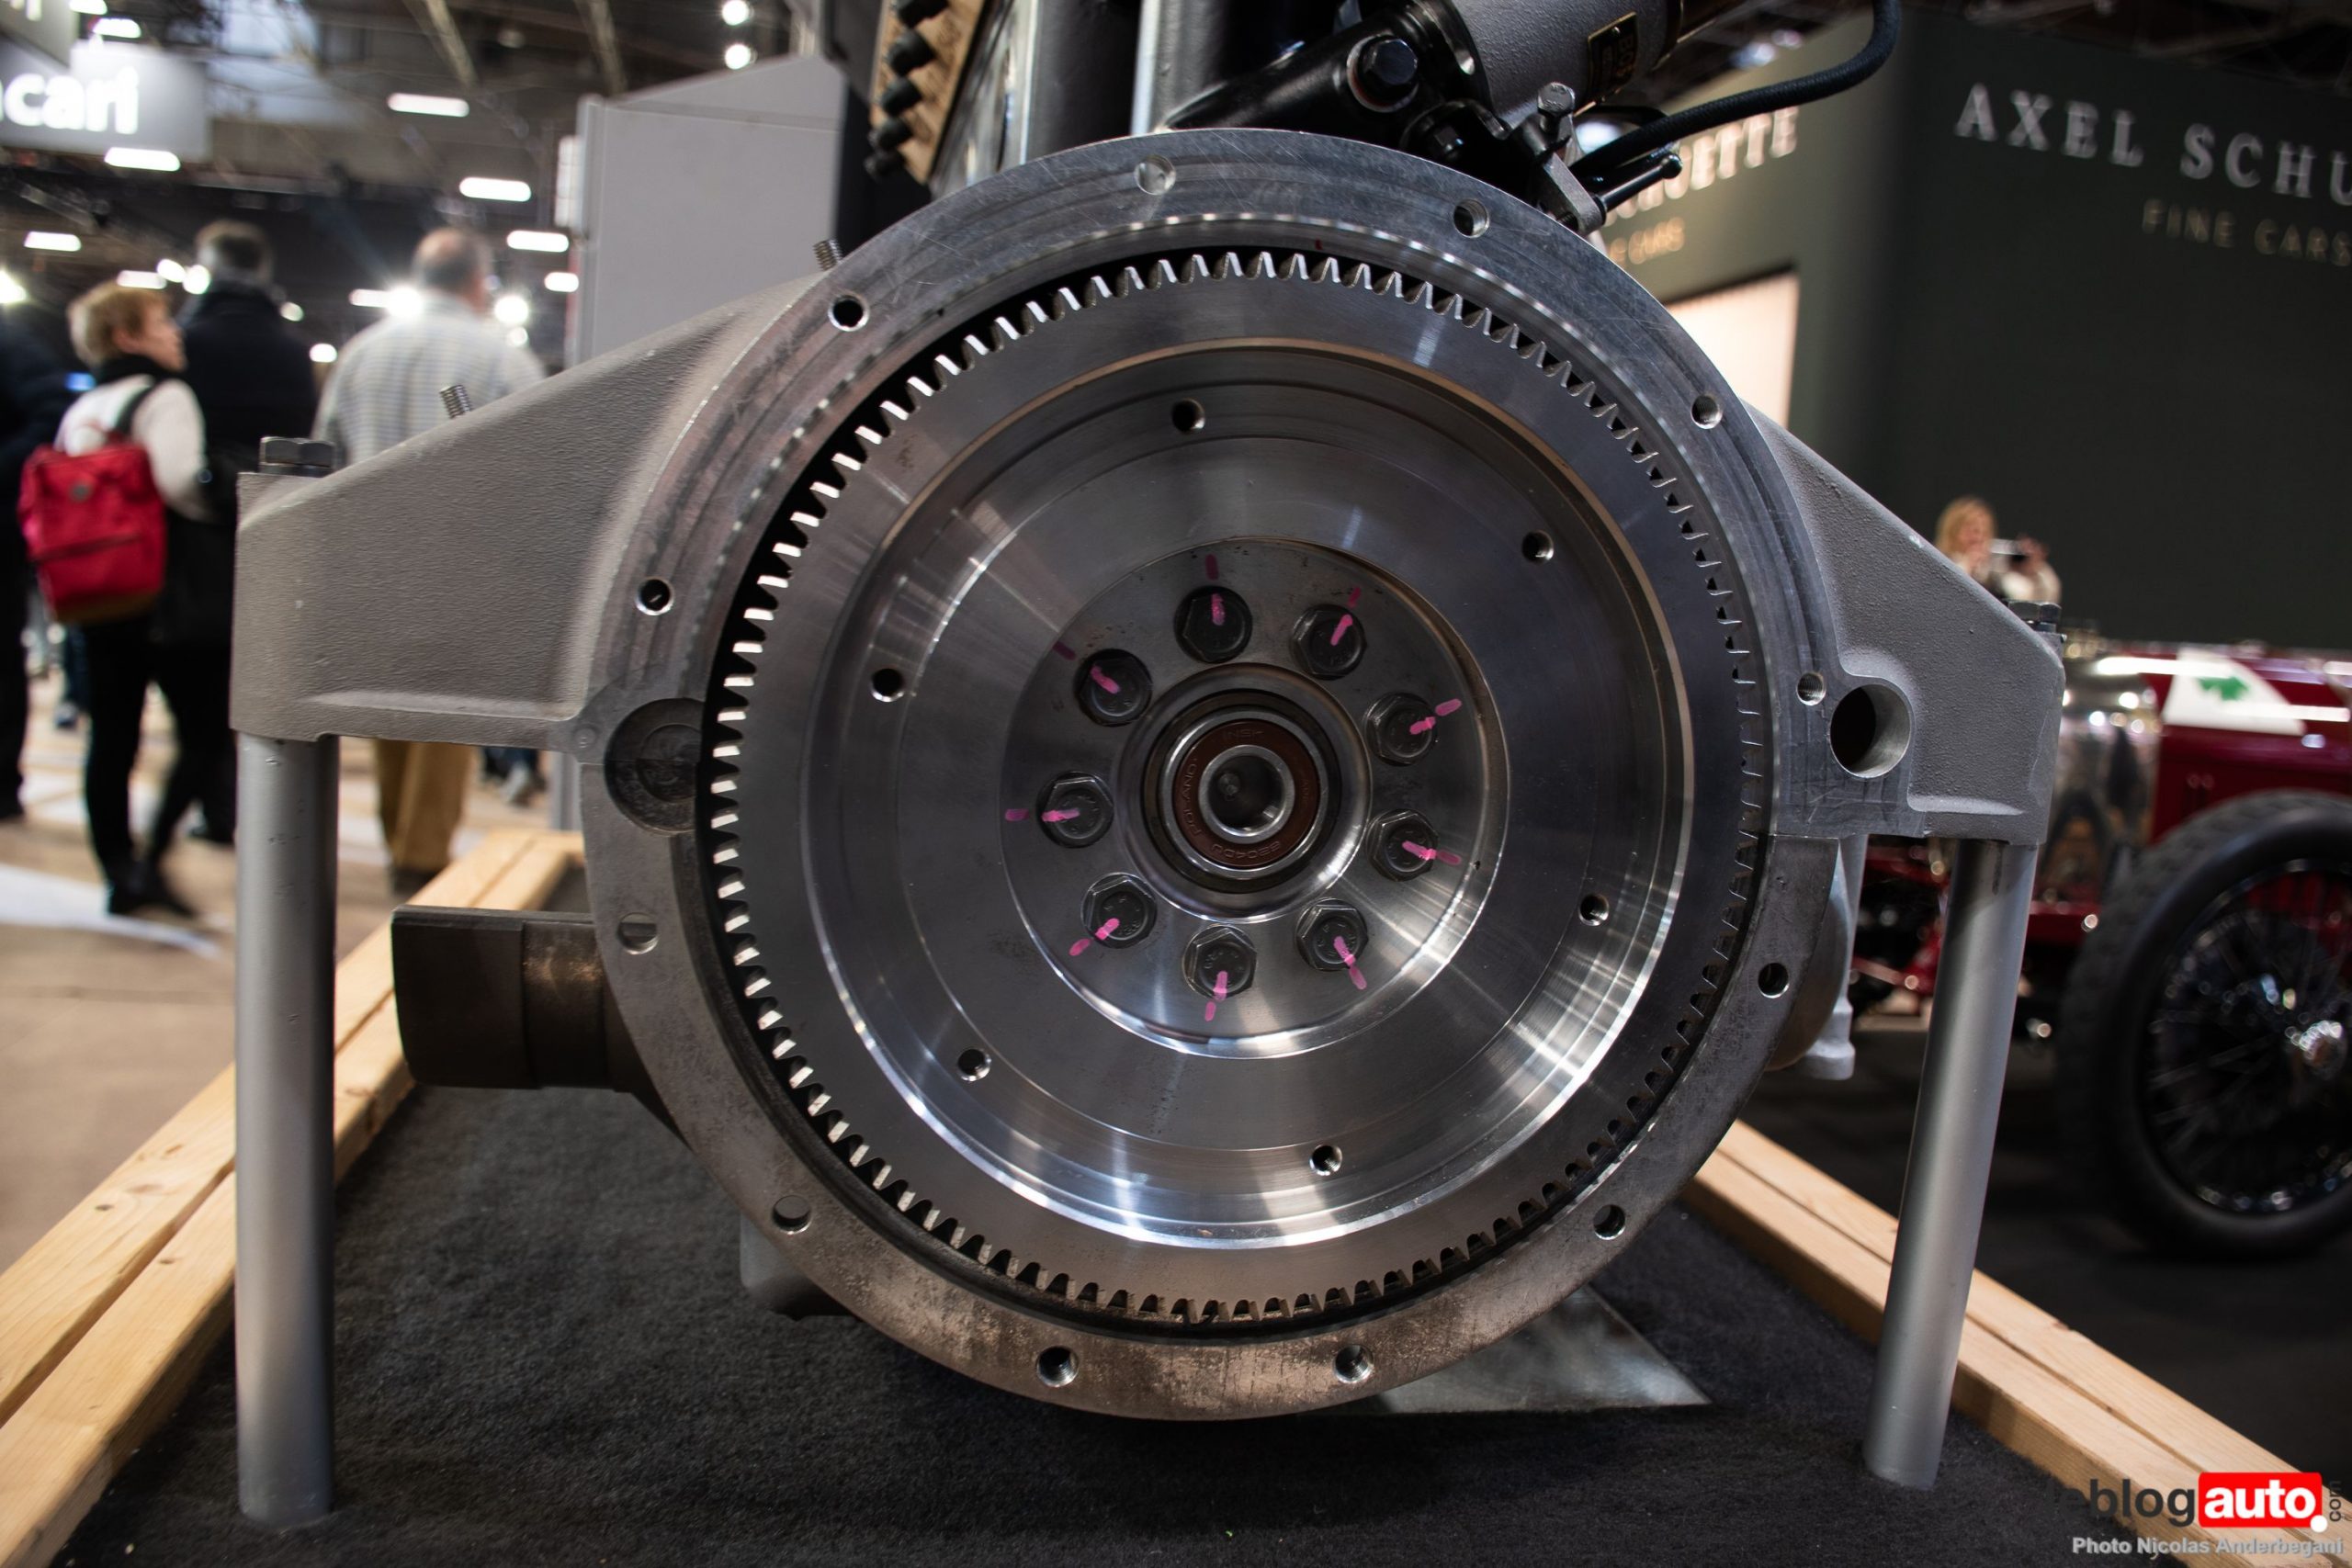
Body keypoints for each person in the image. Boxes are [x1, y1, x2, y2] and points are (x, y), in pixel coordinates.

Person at [317, 228, 545, 897]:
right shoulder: (500, 356)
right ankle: (421, 856)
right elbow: (539, 459)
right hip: (461, 554)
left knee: (388, 708)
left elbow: (324, 449)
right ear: (479, 282)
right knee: (447, 712)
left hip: (371, 549)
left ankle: (399, 840)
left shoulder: (363, 352)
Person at [53, 284, 232, 915]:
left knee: (111, 738)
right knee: (205, 733)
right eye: (161, 323)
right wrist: (226, 495)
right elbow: (181, 482)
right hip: (166, 594)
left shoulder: (84, 407)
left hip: (99, 596)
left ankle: (117, 872)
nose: (175, 333)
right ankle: (153, 857)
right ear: (126, 335)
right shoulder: (166, 396)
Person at [176, 220, 318, 843]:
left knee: (197, 690)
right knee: (262, 675)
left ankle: (214, 808)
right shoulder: (291, 349)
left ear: (208, 266)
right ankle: (250, 812)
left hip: (194, 537)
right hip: (276, 532)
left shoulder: (189, 341)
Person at [0, 320, 74, 821]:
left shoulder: (11, 344)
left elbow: (51, 412)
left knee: (4, 661)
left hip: (2, 532)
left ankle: (2, 785)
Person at [1934, 495, 2061, 605]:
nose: (1978, 538)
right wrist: (1967, 568)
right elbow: (1940, 598)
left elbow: (2039, 601)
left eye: (1984, 532)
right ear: (1952, 532)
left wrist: (2032, 573)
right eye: (1973, 531)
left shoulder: (1996, 572)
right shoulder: (1938, 565)